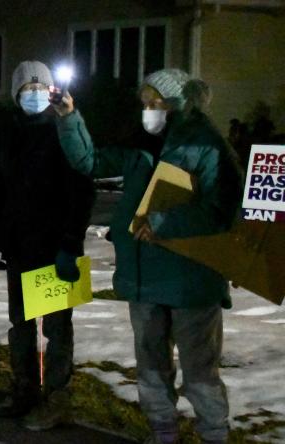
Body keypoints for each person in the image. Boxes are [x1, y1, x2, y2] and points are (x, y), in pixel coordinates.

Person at [51, 69, 242, 444]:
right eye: (144, 104)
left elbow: (222, 210)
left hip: (192, 281)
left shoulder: (208, 146)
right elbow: (89, 162)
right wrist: (69, 116)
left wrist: (163, 222)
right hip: (144, 277)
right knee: (152, 366)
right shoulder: (140, 147)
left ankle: (214, 435)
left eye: (154, 104)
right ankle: (163, 432)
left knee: (199, 369)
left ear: (176, 105)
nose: (148, 111)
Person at [0, 61, 94, 429]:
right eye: (25, 88)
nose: (32, 93)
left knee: (57, 327)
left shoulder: (63, 129)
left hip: (54, 246)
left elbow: (81, 191)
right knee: (21, 322)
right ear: (16, 93)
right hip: (18, 244)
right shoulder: (10, 132)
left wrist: (71, 243)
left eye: (39, 87)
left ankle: (59, 397)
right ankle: (24, 389)